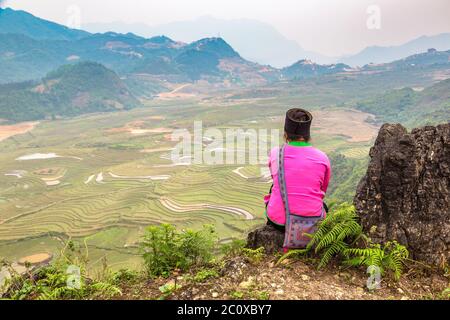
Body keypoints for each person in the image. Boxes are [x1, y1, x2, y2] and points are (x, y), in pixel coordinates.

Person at [264, 108, 331, 232]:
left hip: (280, 222)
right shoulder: (322, 157)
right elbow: (323, 189)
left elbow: (276, 179)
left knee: (274, 187)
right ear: (308, 135)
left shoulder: (275, 153)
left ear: (285, 134)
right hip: (312, 221)